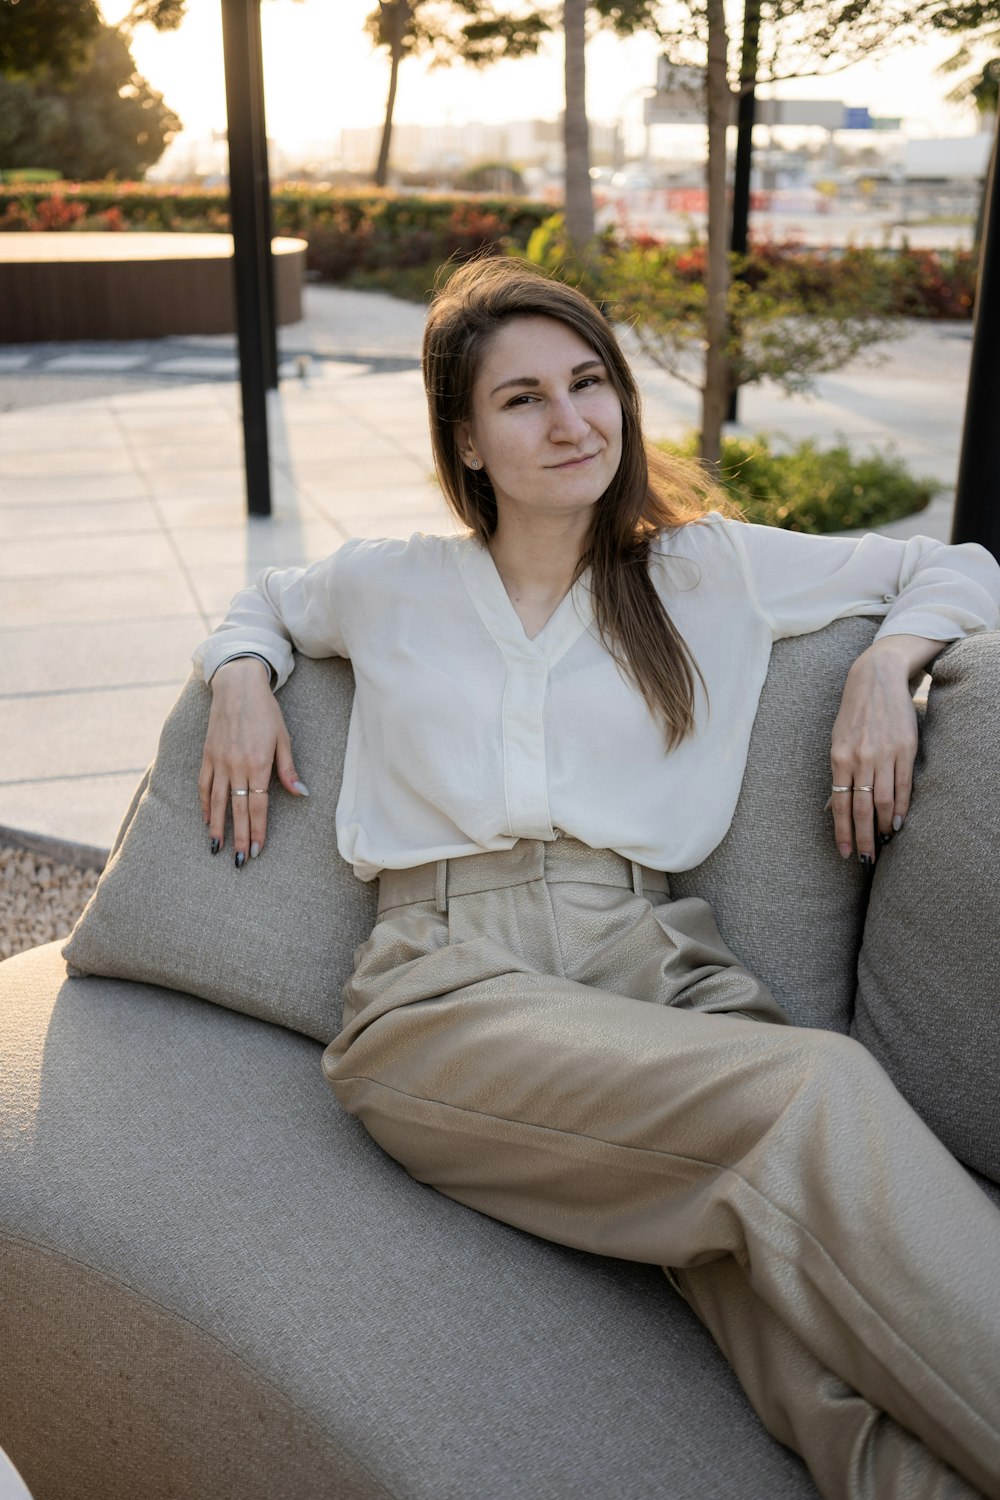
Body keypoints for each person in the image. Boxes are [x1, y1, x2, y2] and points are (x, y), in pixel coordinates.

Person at [194, 257, 1000, 1500]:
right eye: (520, 400)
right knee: (807, 1099)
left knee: (791, 1328)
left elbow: (952, 565)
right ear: (463, 438)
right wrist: (243, 678)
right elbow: (259, 602)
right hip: (443, 994)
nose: (571, 422)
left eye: (589, 383)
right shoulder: (388, 581)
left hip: (658, 972)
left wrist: (886, 670)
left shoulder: (706, 569)